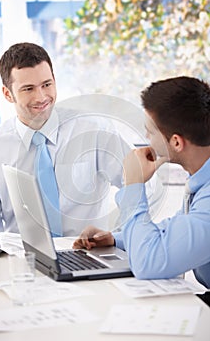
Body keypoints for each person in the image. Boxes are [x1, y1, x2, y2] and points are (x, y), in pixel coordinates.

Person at [0, 42, 159, 236]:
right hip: (23, 259)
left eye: (46, 85)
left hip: (88, 255)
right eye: (28, 89)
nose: (41, 97)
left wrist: (118, 238)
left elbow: (146, 186)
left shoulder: (95, 131)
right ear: (8, 94)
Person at [73, 76, 210, 292]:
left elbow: (149, 263)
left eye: (150, 131)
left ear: (176, 142)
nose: (146, 137)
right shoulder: (202, 180)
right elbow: (176, 232)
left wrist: (133, 184)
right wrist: (115, 239)